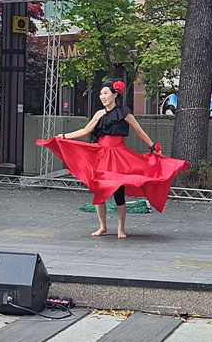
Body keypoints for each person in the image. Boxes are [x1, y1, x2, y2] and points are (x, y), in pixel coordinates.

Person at [37, 79, 188, 239]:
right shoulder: (99, 114)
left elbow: (139, 130)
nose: (102, 97)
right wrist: (64, 136)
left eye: (105, 93)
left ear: (115, 94)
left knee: (119, 193)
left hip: (119, 156)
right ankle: (102, 226)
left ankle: (120, 229)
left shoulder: (124, 112)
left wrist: (153, 147)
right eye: (101, 94)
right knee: (98, 190)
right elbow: (85, 130)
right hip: (102, 155)